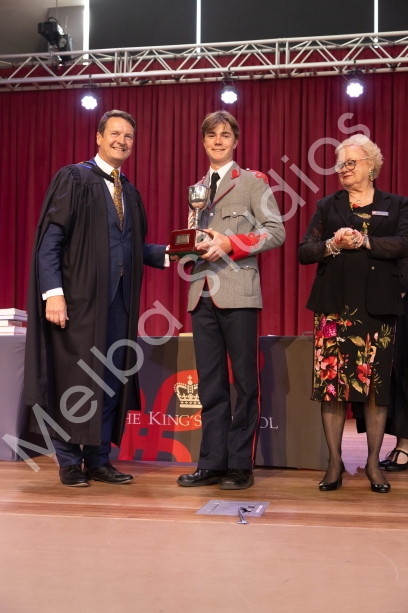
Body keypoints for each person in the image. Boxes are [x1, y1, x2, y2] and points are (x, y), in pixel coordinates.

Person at [24, 110, 169, 487]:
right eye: (115, 134)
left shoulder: (129, 192)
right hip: (77, 303)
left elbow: (135, 248)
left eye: (129, 136)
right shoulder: (74, 178)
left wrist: (176, 253)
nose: (122, 141)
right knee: (73, 381)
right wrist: (53, 294)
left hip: (119, 305)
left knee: (108, 380)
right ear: (99, 138)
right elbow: (50, 243)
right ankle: (69, 461)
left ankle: (99, 459)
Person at [177, 110, 285, 490]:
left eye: (225, 135)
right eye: (212, 135)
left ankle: (240, 465)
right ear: (203, 141)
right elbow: (194, 239)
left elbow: (276, 231)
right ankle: (211, 463)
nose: (218, 141)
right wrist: (184, 247)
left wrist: (230, 243)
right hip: (201, 291)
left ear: (236, 141)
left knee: (245, 383)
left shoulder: (253, 182)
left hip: (239, 292)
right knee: (210, 386)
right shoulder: (196, 189)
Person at [298, 134, 408, 494]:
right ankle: (334, 464)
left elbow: (404, 244)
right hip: (333, 309)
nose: (343, 169)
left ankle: (374, 464)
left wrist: (366, 241)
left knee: (375, 388)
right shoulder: (327, 206)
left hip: (378, 309)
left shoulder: (396, 205)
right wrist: (333, 244)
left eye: (351, 162)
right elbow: (305, 251)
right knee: (331, 388)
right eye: (340, 164)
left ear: (371, 166)